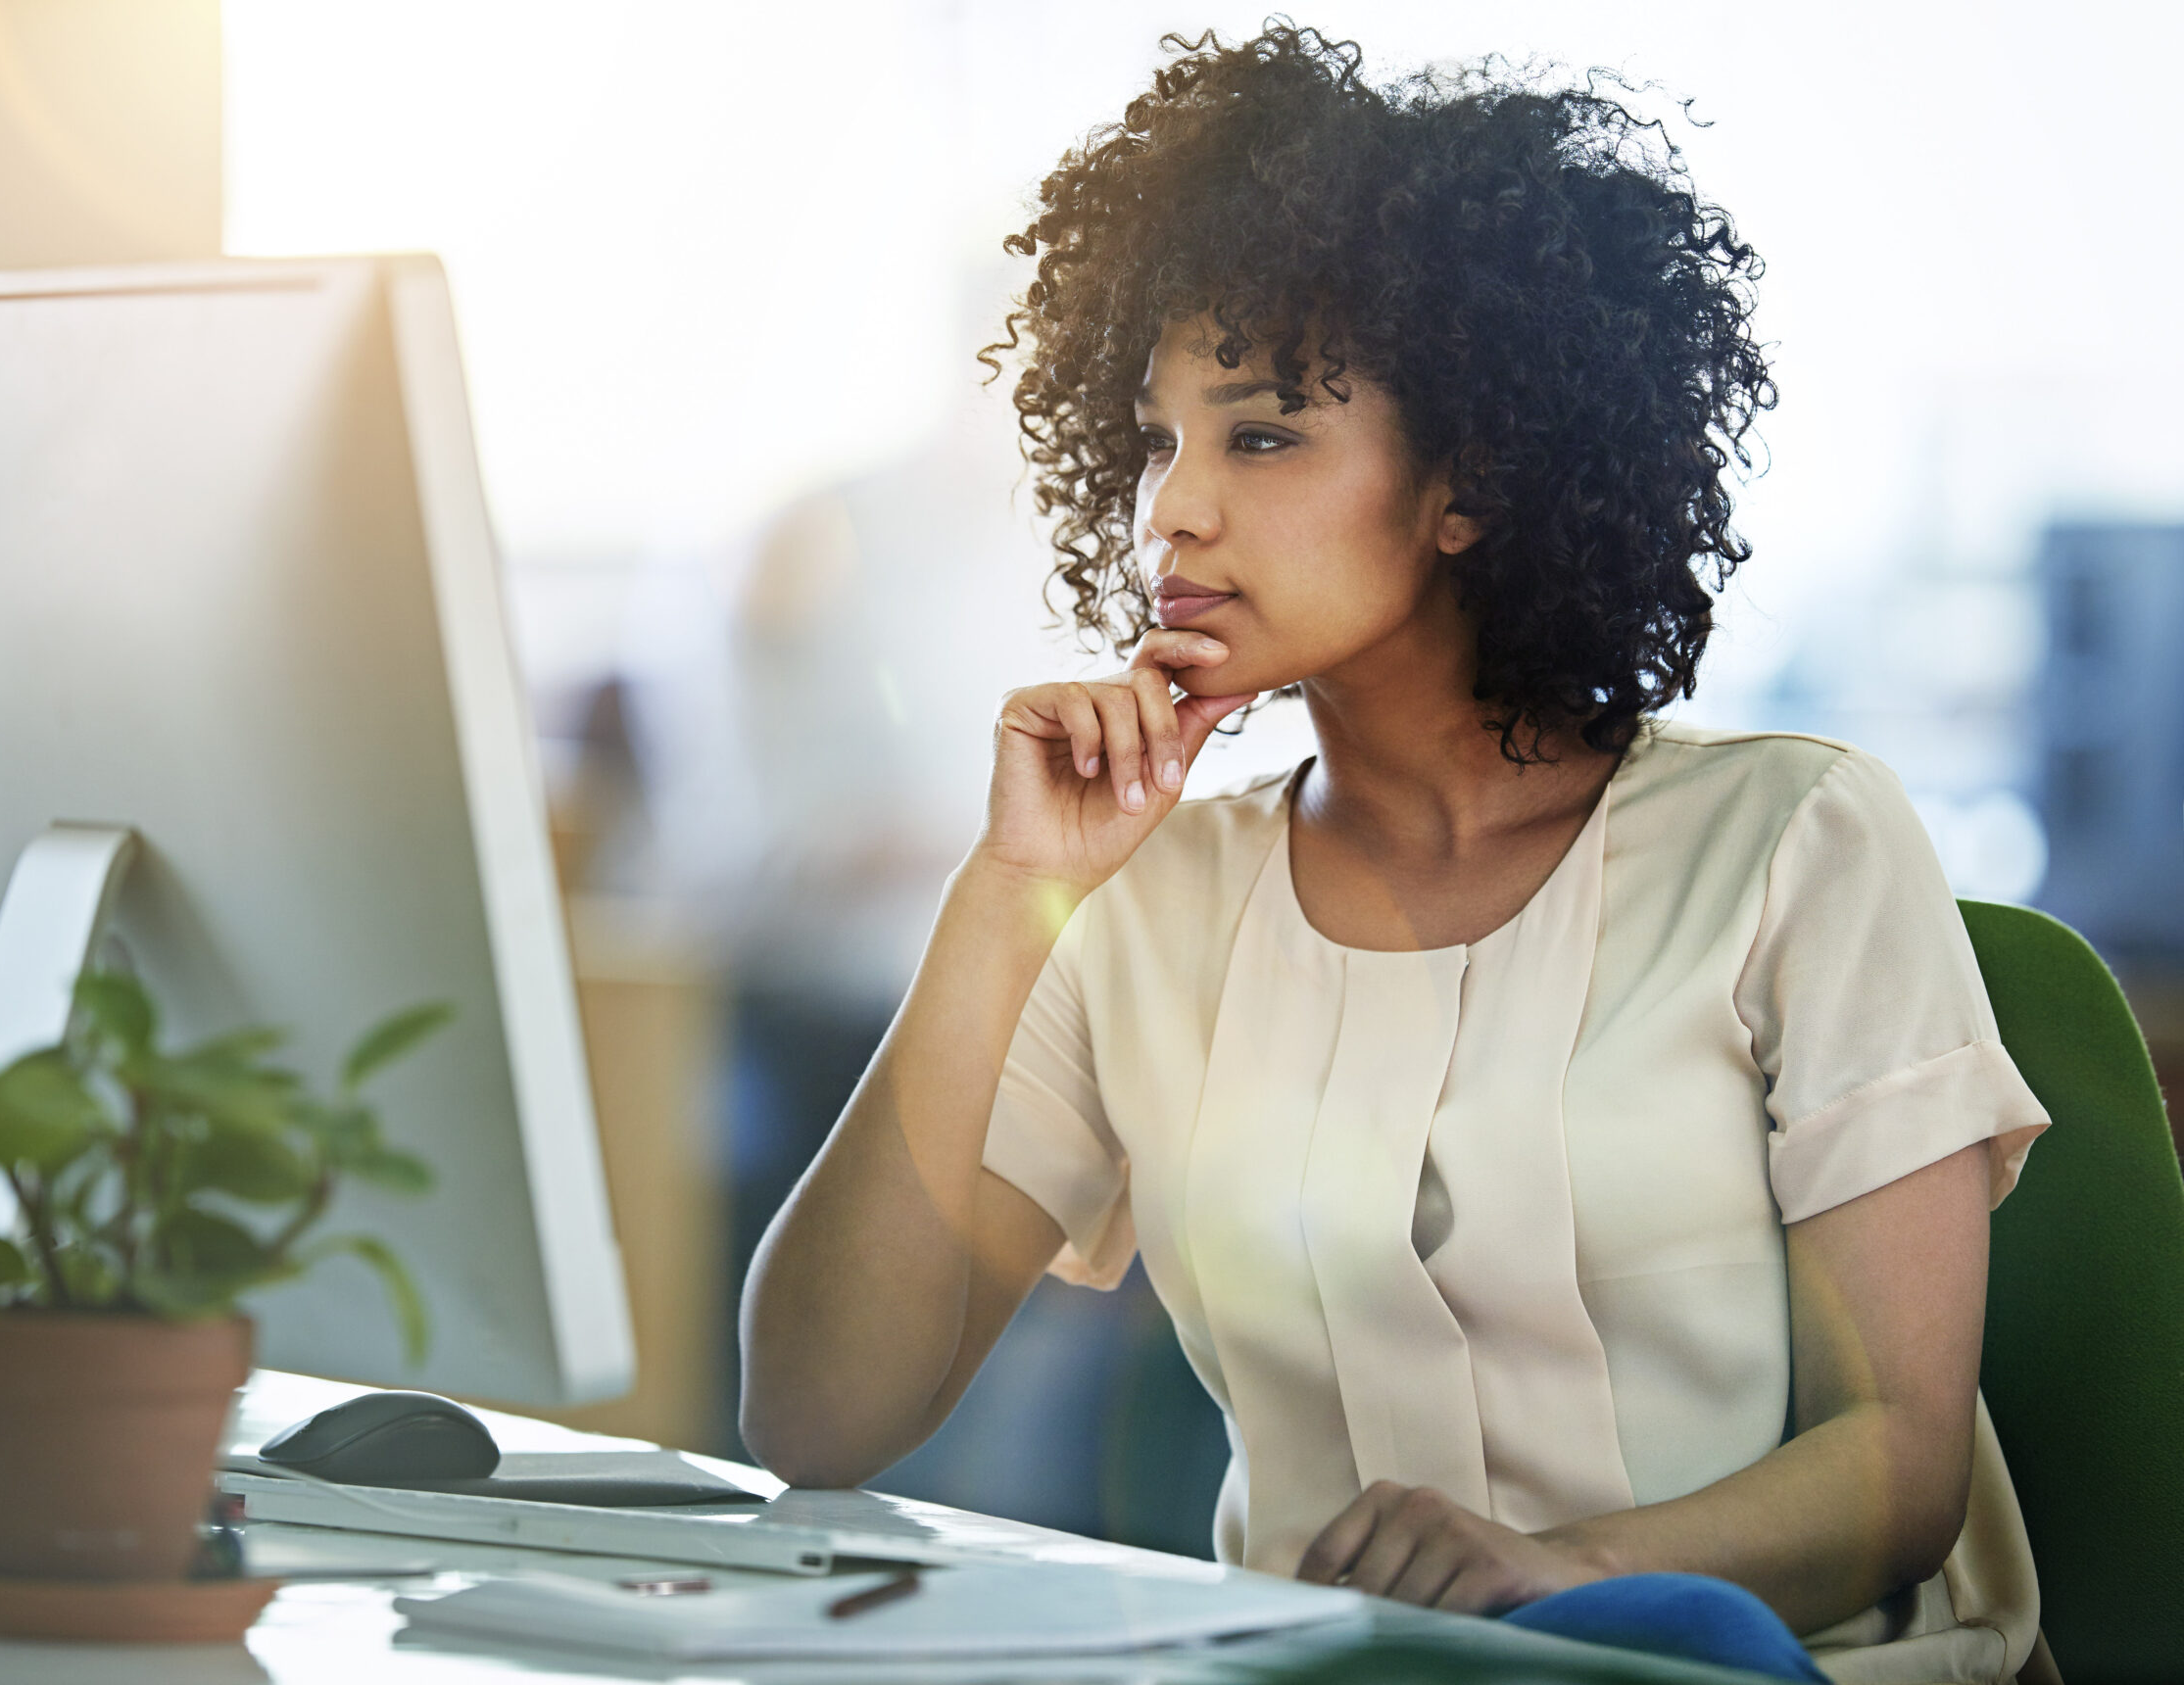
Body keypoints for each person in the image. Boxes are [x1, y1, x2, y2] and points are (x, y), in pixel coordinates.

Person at [738, 25, 2051, 1685]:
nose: (1171, 515)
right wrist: (1006, 899)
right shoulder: (1142, 908)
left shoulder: (1794, 841)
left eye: (1261, 435)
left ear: (1472, 480)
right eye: (1155, 440)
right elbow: (818, 1416)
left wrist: (1560, 1571)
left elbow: (1900, 1469)